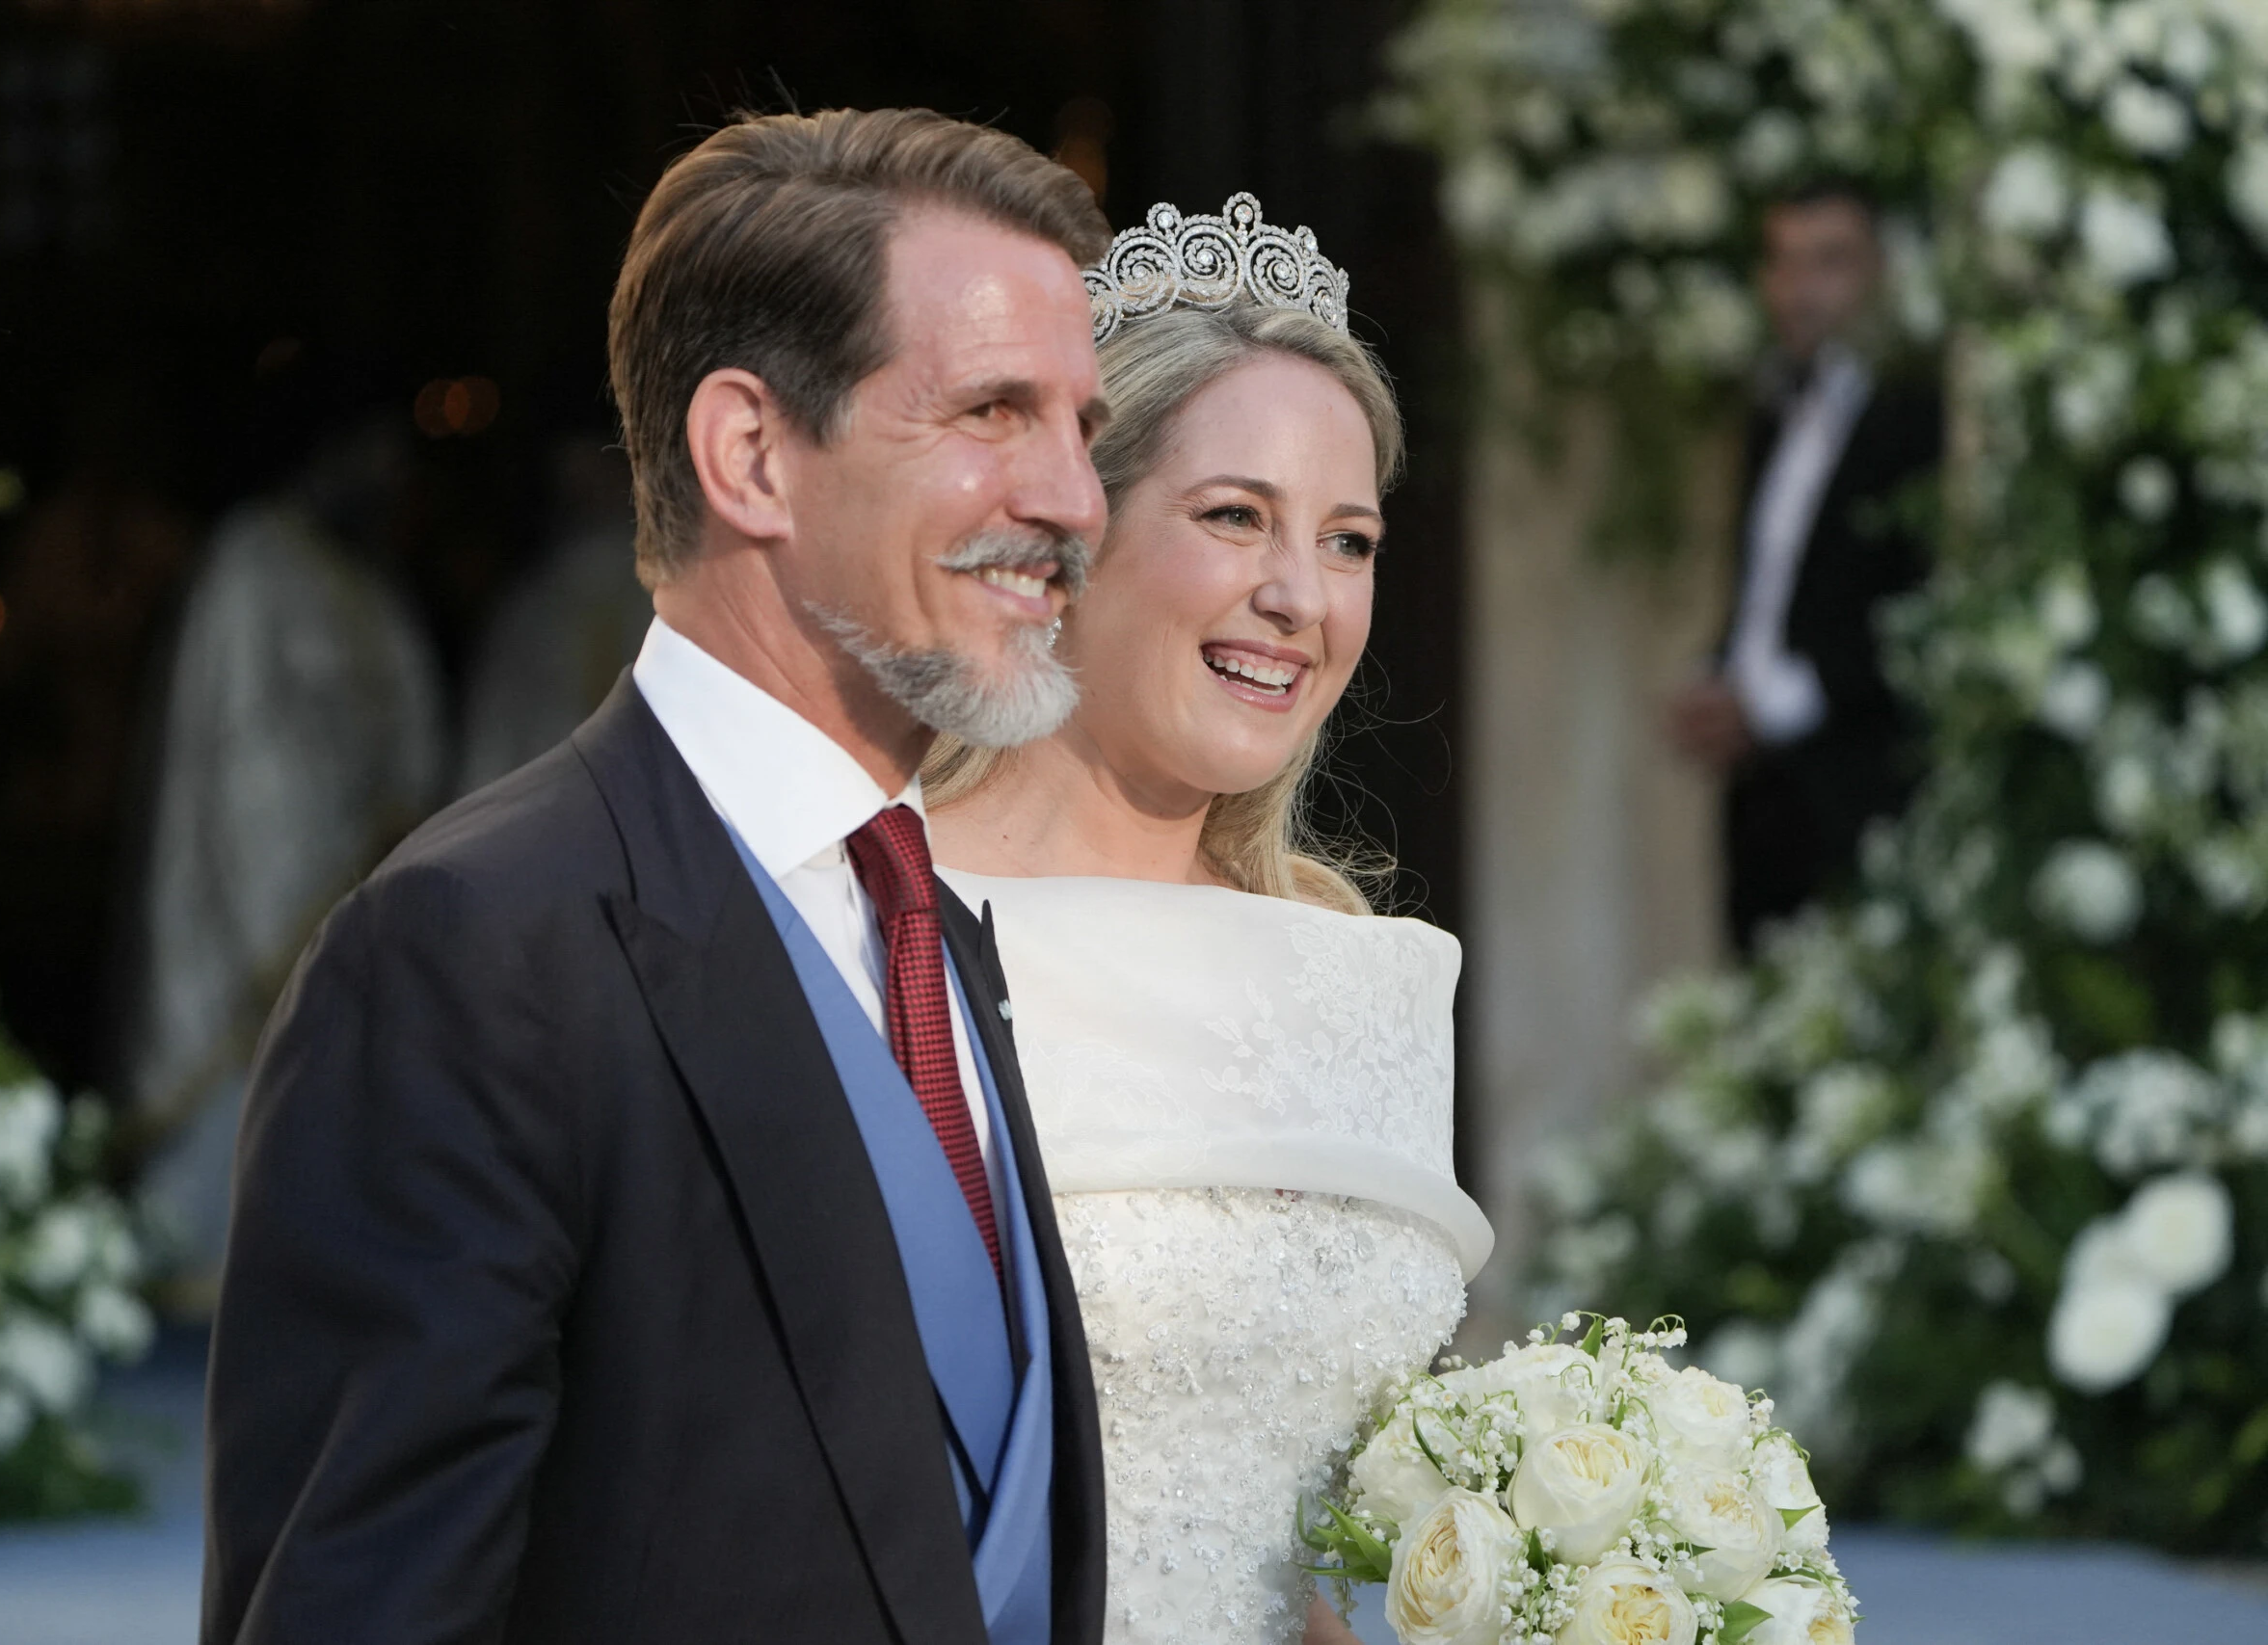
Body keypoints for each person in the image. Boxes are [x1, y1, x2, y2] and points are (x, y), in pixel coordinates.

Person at [203, 109, 1115, 1645]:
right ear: (751, 454)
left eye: (1081, 426)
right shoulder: (465, 957)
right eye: (993, 412)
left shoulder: (939, 931)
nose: (1077, 499)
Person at [927, 195, 1493, 1645]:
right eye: (1235, 516)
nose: (1299, 596)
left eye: (1349, 540)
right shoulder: (877, 927)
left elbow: (1305, 1533)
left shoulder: (1365, 974)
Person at [120, 414, 445, 1315]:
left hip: (358, 888)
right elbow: (238, 745)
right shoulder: (252, 561)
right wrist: (300, 888)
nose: (389, 472)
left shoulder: (361, 574)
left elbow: (407, 716)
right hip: (262, 893)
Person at [1668, 179, 1943, 952]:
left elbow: (1916, 603)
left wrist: (1766, 700)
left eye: (1829, 262)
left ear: (1880, 270)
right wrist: (1718, 674)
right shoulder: (1773, 410)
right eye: (1783, 262)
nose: (1800, 290)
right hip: (1762, 794)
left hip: (1859, 790)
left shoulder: (1918, 417)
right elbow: (1770, 592)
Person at [455, 434, 653, 792]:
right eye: (572, 474)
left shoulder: (667, 595)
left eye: (599, 467)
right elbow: (495, 726)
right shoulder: (533, 605)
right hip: (553, 800)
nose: (587, 487)